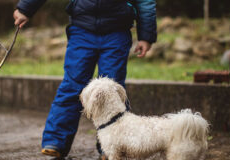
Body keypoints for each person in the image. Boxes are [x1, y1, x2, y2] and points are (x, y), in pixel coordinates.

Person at [13, 0, 157, 159]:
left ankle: (112, 148)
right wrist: (25, 8)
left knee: (112, 91)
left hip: (117, 31)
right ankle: (55, 142)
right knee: (71, 86)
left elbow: (145, 1)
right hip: (82, 29)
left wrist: (146, 36)